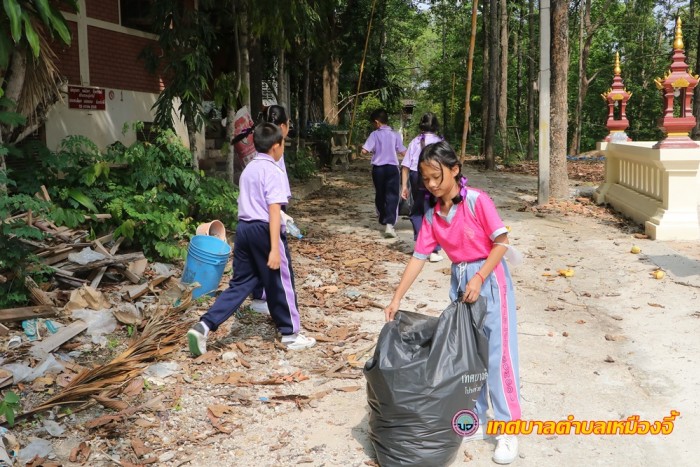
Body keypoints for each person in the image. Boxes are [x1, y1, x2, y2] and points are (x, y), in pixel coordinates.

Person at [383, 141, 521, 465]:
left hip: (489, 281)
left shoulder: (477, 201)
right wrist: (396, 298)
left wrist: (479, 277)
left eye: (437, 177)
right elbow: (419, 256)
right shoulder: (433, 215)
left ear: (455, 170)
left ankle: (508, 429)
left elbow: (502, 242)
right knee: (468, 355)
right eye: (426, 179)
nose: (431, 184)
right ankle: (476, 418)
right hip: (460, 283)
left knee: (498, 354)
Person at [187, 123, 316, 355]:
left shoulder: (249, 169)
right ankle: (290, 334)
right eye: (283, 144)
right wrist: (275, 248)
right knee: (280, 282)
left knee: (240, 284)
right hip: (264, 230)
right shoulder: (273, 171)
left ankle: (204, 325)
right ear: (276, 146)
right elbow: (274, 210)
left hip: (244, 230)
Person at [249, 105, 293, 315]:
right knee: (273, 251)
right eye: (289, 124)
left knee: (265, 251)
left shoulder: (263, 146)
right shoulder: (275, 150)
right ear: (283, 126)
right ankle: (269, 299)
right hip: (271, 205)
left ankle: (264, 295)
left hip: (261, 208)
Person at [401, 112, 444, 262]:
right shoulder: (440, 142)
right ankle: (434, 249)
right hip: (437, 178)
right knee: (433, 211)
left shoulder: (415, 141)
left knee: (417, 211)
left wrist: (404, 186)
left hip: (417, 177)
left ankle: (423, 246)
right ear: (435, 125)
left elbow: (405, 166)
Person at [361, 109, 406, 238]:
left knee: (380, 194)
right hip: (392, 169)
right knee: (392, 195)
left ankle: (383, 217)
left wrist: (365, 150)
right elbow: (403, 151)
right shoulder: (395, 134)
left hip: (378, 170)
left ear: (377, 122)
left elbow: (364, 151)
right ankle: (389, 224)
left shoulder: (374, 135)